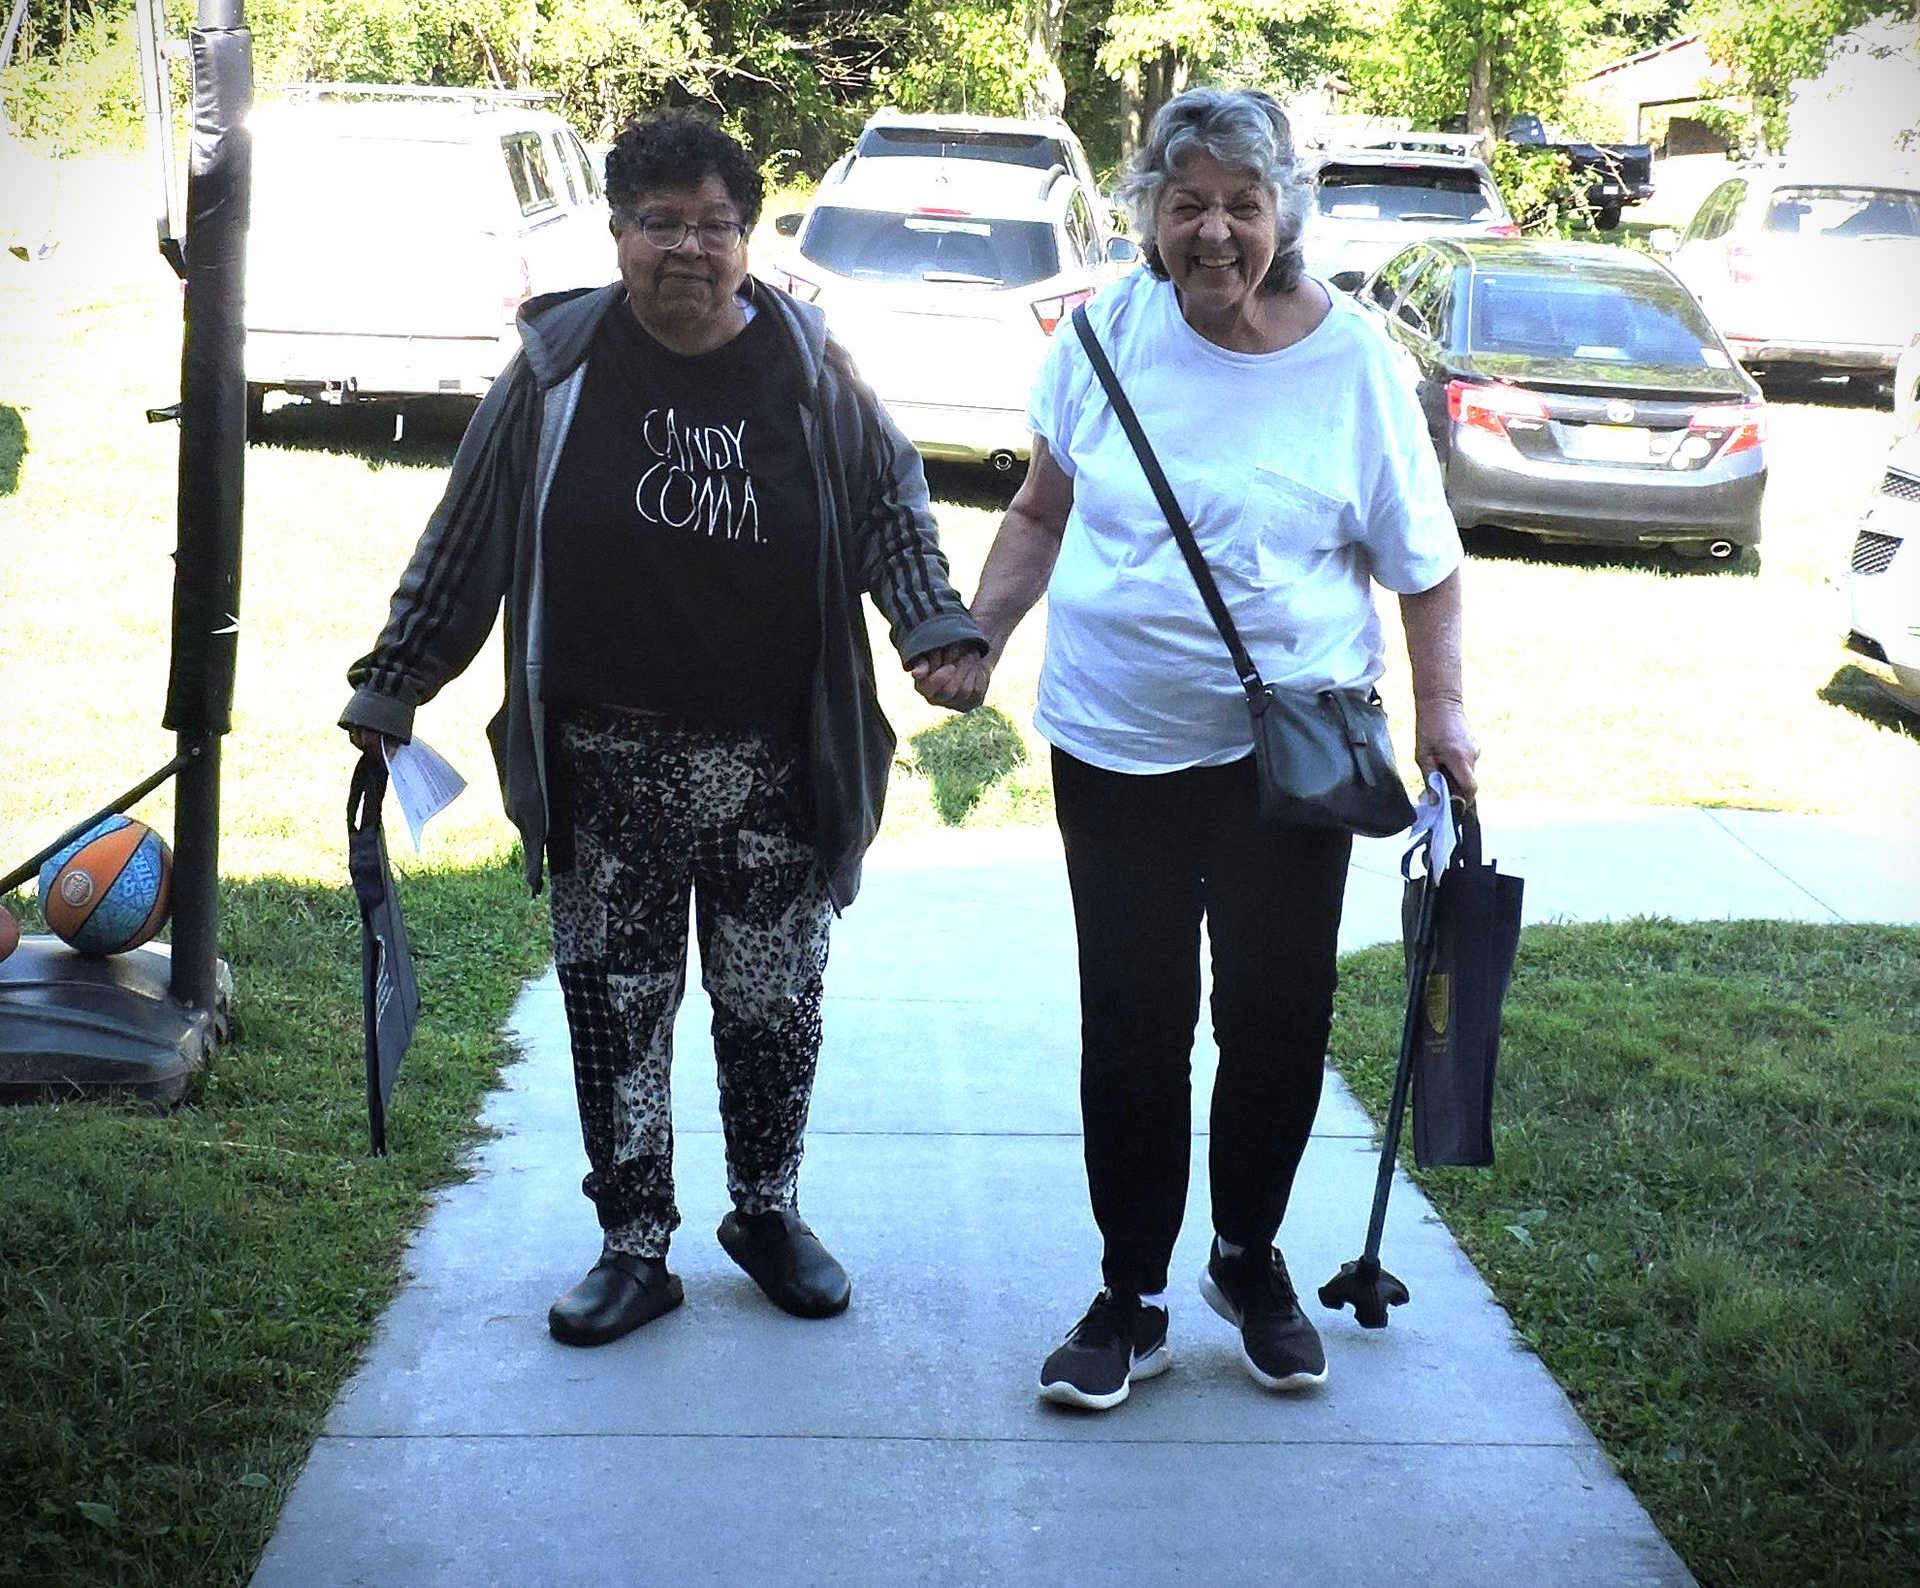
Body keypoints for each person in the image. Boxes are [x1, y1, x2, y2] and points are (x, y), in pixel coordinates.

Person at [342, 110, 986, 1347]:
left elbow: (892, 512)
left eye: (714, 225)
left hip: (776, 761)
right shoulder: (555, 371)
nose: (688, 248)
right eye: (661, 223)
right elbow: (468, 536)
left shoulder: (812, 369)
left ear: (749, 238)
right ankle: (634, 1244)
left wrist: (932, 627)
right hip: (604, 758)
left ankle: (766, 1210)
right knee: (614, 1006)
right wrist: (395, 681)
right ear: (616, 231)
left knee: (772, 1004)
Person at [966, 87, 1478, 1410]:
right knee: (1135, 1024)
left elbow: (1425, 563)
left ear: (1283, 213)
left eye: (1241, 205)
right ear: (1147, 213)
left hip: (1290, 759)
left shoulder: (1353, 365)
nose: (1213, 232)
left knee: (1277, 1017)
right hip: (1116, 742)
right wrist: (978, 634)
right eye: (1186, 202)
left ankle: (1248, 1257)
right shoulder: (1101, 335)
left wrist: (1443, 715)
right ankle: (1130, 1290)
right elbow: (1040, 511)